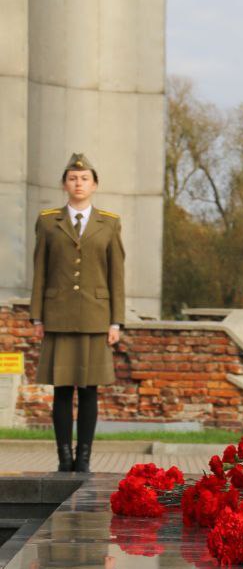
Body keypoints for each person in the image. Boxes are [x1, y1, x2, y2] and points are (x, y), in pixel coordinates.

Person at [30, 153, 125, 473]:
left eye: (84, 179)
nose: (78, 183)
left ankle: (83, 458)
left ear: (94, 184)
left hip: (95, 318)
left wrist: (116, 320)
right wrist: (37, 317)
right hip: (57, 316)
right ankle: (63, 457)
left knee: (88, 390)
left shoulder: (109, 223)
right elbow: (39, 269)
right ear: (64, 184)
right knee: (61, 390)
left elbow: (117, 275)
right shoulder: (47, 221)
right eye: (72, 178)